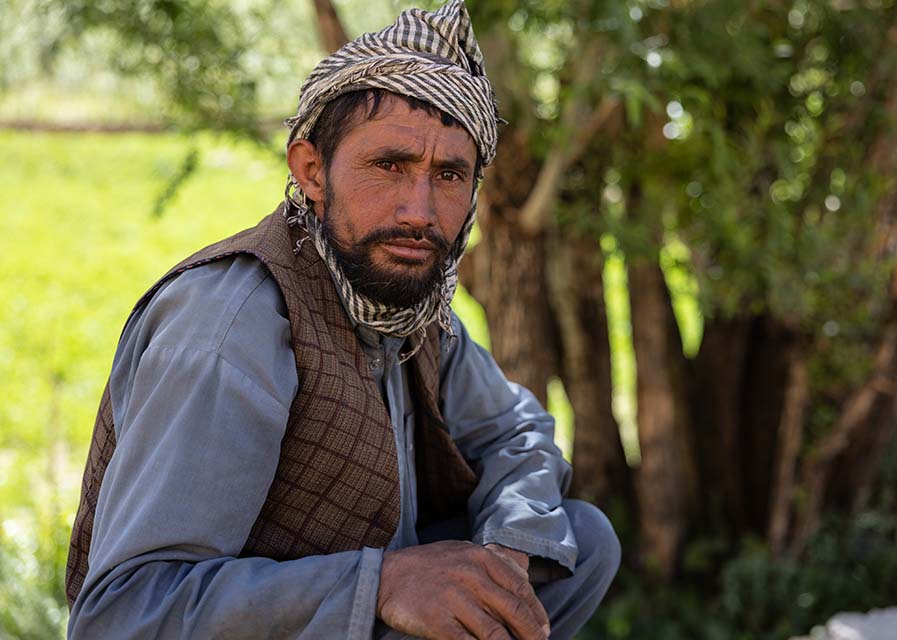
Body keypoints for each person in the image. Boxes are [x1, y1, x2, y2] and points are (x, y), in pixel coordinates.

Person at [65, 1, 620, 638]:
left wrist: (506, 549)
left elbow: (516, 433)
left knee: (580, 540)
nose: (419, 210)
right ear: (311, 171)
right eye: (389, 166)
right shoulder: (229, 329)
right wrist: (381, 584)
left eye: (448, 175)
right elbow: (122, 615)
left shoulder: (410, 307)